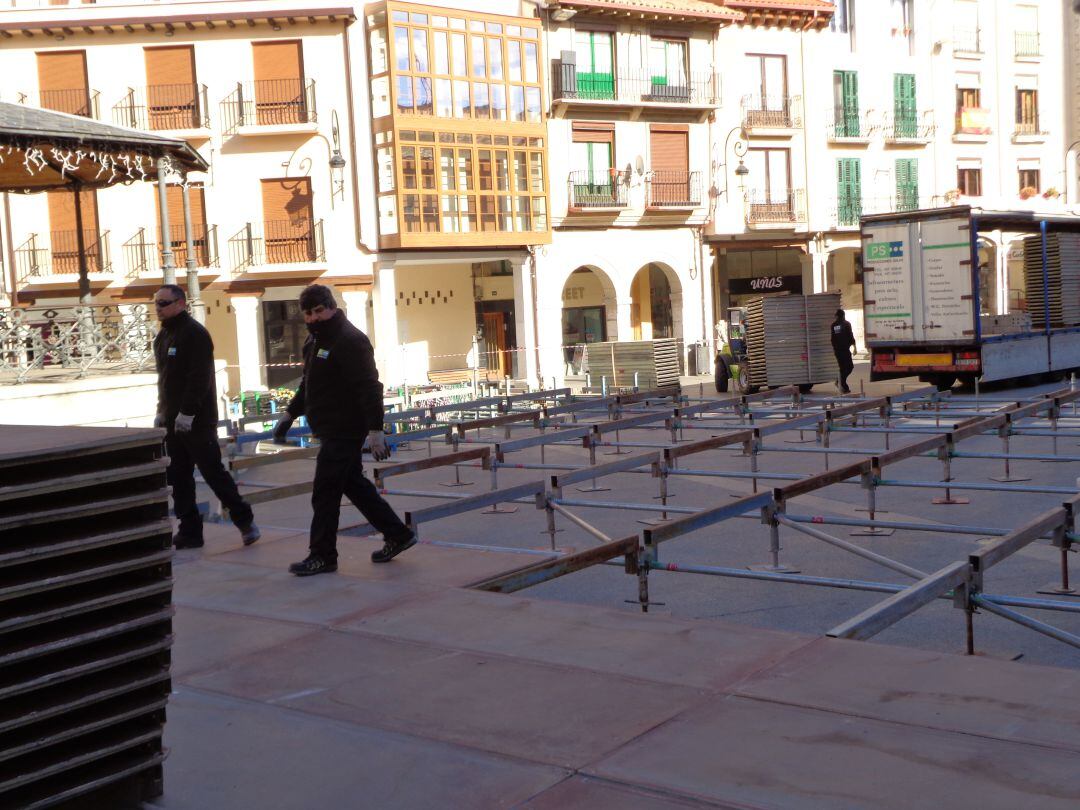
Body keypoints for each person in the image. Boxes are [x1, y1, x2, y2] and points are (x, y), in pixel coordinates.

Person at [273, 284, 415, 576]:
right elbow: (308, 384)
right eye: (308, 313)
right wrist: (289, 414)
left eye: (319, 311)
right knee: (354, 485)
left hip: (346, 429)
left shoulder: (349, 340)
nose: (313, 318)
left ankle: (322, 555)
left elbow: (369, 387)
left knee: (324, 492)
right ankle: (399, 534)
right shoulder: (314, 342)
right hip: (328, 428)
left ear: (332, 307)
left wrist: (376, 430)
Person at [152, 284, 259, 549]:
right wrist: (161, 412)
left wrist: (187, 412)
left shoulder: (195, 334)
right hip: (172, 422)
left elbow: (199, 378)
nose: (158, 308)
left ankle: (245, 522)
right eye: (156, 303)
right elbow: (164, 381)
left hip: (196, 421)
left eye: (164, 303)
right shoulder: (163, 338)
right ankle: (190, 531)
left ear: (180, 303)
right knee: (179, 477)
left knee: (213, 473)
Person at [831, 308, 857, 394]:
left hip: (838, 351)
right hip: (844, 350)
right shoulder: (846, 324)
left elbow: (832, 339)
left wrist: (835, 348)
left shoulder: (833, 325)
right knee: (849, 367)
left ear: (837, 316)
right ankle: (842, 383)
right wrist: (854, 347)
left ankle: (842, 384)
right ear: (843, 315)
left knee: (843, 368)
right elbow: (851, 336)